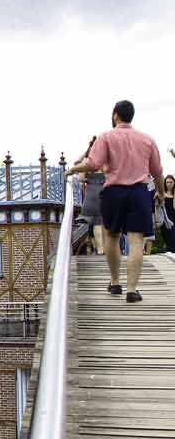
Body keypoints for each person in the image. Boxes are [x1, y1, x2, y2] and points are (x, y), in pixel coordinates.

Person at [67, 100, 164, 303]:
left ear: (115, 115)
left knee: (111, 236)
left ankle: (114, 281)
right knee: (137, 241)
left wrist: (73, 169)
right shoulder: (147, 139)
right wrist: (161, 193)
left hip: (113, 192)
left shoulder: (106, 137)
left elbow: (93, 163)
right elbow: (157, 172)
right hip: (139, 192)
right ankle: (132, 289)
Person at [77, 136, 106, 253]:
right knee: (105, 222)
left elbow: (80, 178)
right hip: (104, 191)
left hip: (91, 192)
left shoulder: (87, 161)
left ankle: (100, 249)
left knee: (96, 223)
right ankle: (106, 248)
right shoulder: (104, 161)